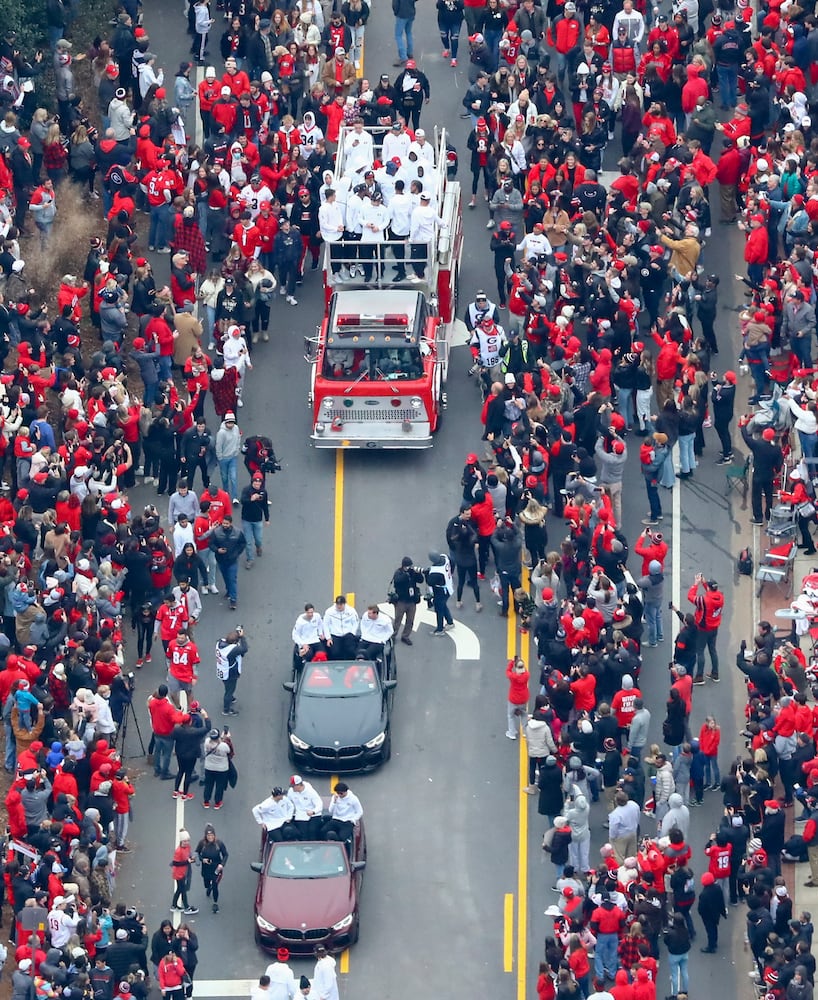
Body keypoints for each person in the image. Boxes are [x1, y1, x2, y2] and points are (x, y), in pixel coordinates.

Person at [687, 574, 724, 683]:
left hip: (703, 629)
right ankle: (715, 673)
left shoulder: (704, 600)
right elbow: (710, 593)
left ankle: (699, 676)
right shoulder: (720, 596)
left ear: (709, 588)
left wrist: (696, 584)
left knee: (700, 652)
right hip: (714, 627)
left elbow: (690, 597)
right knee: (713, 650)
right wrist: (704, 583)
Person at [209, 513, 244, 610]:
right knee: (226, 577)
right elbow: (211, 544)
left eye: (227, 523)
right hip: (221, 560)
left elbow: (242, 544)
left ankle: (233, 599)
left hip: (232, 560)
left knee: (232, 579)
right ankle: (229, 590)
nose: (225, 525)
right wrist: (217, 550)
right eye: (223, 523)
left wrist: (236, 553)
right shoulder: (216, 533)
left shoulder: (237, 533)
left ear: (231, 523)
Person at [389, 557, 424, 645]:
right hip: (401, 601)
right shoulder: (399, 572)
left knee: (410, 620)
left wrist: (418, 573)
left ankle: (405, 636)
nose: (409, 568)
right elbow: (397, 580)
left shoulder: (412, 573)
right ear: (404, 566)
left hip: (412, 601)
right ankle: (392, 636)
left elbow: (421, 580)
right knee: (398, 620)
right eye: (408, 566)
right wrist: (407, 574)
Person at [194, 823, 228, 913]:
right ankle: (209, 887)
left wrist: (222, 864)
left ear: (214, 835)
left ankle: (215, 903)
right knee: (207, 884)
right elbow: (196, 853)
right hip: (206, 869)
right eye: (208, 835)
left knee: (215, 885)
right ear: (205, 836)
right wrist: (202, 860)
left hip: (216, 868)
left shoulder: (219, 843)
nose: (210, 837)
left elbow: (225, 855)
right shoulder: (202, 843)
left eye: (212, 835)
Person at [215, 627, 248, 716]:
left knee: (227, 686)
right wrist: (242, 637)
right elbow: (244, 649)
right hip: (229, 673)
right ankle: (226, 709)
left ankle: (231, 698)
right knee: (229, 690)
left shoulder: (219, 643)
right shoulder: (231, 651)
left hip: (221, 669)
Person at [240, 472, 269, 569]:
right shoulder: (246, 490)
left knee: (258, 539)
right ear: (252, 482)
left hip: (257, 520)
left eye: (259, 483)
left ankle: (258, 546)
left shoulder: (263, 492)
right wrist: (251, 499)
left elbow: (265, 506)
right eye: (255, 483)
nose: (257, 485)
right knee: (248, 542)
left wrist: (267, 518)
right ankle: (250, 559)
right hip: (246, 519)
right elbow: (242, 501)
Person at [202, 727, 233, 809]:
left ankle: (206, 801)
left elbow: (215, 742)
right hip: (221, 769)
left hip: (209, 767)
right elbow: (229, 752)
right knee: (220, 786)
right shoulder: (224, 746)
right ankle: (217, 802)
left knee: (208, 784)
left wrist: (222, 738)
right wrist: (227, 738)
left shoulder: (207, 742)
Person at [697, 871, 727, 953]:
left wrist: (700, 913)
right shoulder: (717, 888)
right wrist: (723, 912)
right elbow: (721, 901)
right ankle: (714, 942)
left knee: (710, 930)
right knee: (714, 928)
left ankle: (711, 947)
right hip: (716, 913)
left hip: (707, 916)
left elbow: (701, 908)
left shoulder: (703, 894)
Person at [425, 551, 454, 635]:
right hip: (448, 586)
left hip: (440, 591)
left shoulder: (436, 572)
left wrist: (426, 574)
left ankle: (440, 629)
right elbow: (453, 562)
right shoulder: (445, 557)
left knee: (439, 609)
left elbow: (429, 582)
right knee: (443, 605)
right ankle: (449, 622)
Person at [170, 830, 199, 915]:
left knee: (180, 889)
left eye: (188, 841)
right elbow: (175, 863)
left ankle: (174, 905)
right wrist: (187, 861)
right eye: (185, 841)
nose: (187, 842)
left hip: (183, 872)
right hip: (179, 874)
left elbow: (188, 856)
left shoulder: (187, 847)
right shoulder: (178, 851)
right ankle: (186, 907)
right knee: (183, 890)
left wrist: (191, 859)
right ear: (181, 841)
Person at [287, 775, 323, 839]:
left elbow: (319, 804)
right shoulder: (291, 791)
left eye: (293, 786)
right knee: (303, 834)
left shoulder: (310, 792)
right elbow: (288, 803)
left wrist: (313, 811)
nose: (292, 788)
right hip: (300, 815)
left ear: (299, 785)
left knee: (312, 831)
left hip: (313, 815)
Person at [505, 656, 529, 740]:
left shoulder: (513, 677)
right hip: (523, 699)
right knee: (524, 715)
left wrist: (512, 662)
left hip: (513, 699)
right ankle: (525, 732)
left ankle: (512, 733)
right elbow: (524, 670)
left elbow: (507, 671)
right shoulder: (526, 675)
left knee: (510, 716)